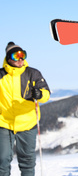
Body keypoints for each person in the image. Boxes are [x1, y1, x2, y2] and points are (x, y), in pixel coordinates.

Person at [0, 42, 51, 175]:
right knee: (2, 159)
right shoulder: (1, 75)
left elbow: (46, 94)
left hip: (28, 123)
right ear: (8, 58)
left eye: (22, 55)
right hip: (4, 123)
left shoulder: (32, 73)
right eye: (16, 55)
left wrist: (40, 94)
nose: (20, 59)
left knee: (27, 161)